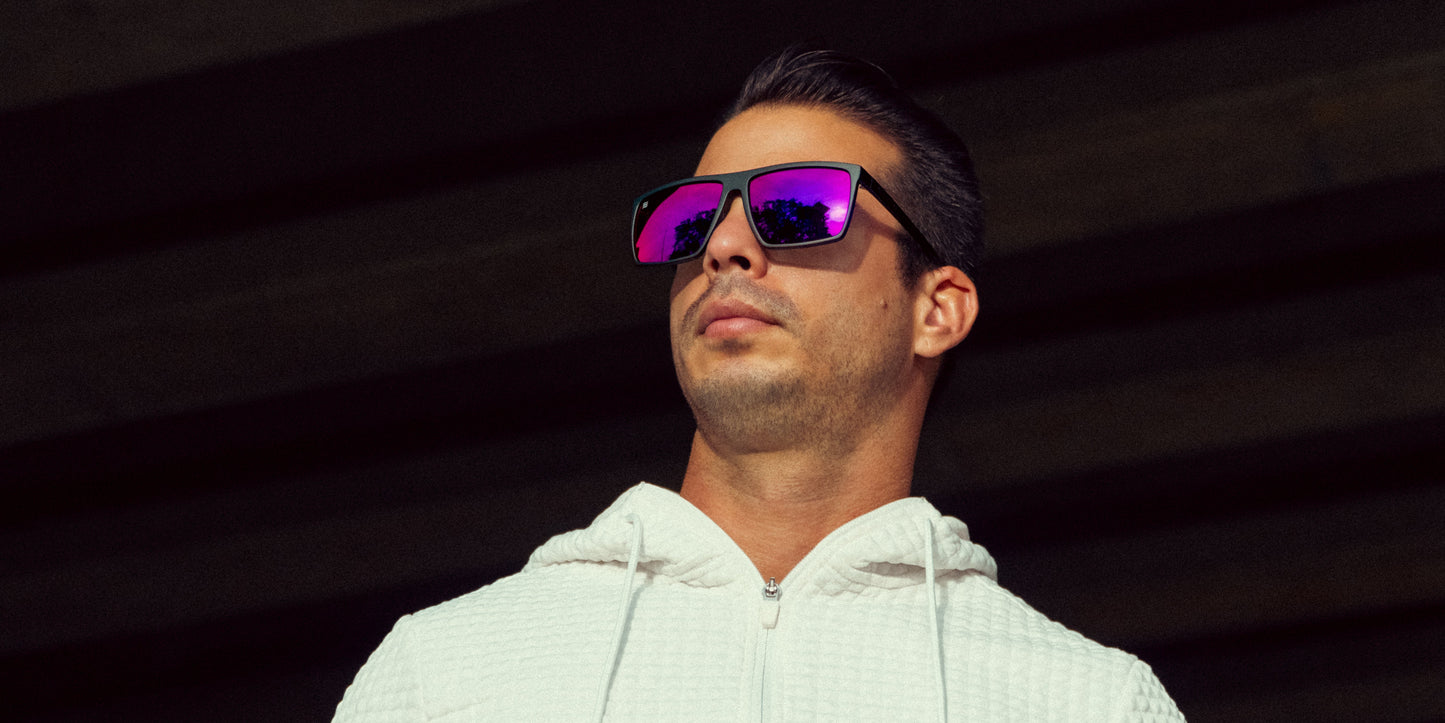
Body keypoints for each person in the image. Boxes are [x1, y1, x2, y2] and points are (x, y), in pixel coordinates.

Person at [333, 46, 1184, 722]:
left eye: (799, 206)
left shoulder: (1088, 702)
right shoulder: (446, 669)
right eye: (694, 218)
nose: (724, 247)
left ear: (937, 308)